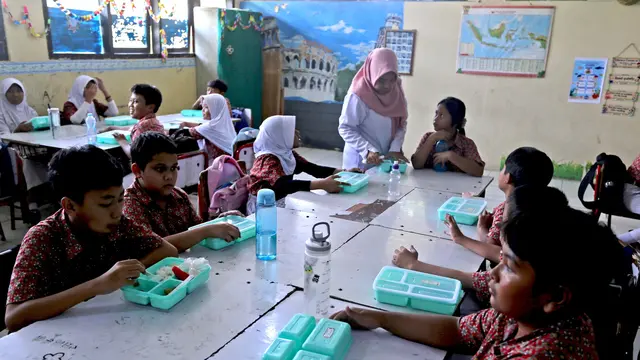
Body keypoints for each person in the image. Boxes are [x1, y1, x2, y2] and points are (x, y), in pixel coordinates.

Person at [334, 204, 624, 359]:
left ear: (556, 297)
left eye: (509, 266)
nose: (494, 273)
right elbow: (459, 330)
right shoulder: (524, 313)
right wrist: (382, 319)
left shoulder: (545, 353)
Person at [4, 145, 177, 332]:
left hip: (107, 329)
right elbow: (14, 317)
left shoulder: (119, 223)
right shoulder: (42, 238)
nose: (117, 212)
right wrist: (99, 285)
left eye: (120, 199)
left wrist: (129, 271)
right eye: (106, 203)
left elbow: (167, 250)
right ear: (69, 205)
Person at [393, 185, 568, 306]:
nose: (498, 225)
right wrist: (461, 238)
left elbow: (465, 276)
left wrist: (413, 265)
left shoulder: (520, 276)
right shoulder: (540, 250)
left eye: (502, 222)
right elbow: (497, 251)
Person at [123, 132, 241, 252]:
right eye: (160, 169)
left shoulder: (178, 196)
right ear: (137, 171)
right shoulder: (130, 206)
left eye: (174, 168)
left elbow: (196, 228)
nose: (169, 176)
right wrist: (206, 230)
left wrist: (219, 222)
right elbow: (151, 247)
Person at [443, 147, 555, 263]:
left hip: (509, 271)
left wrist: (481, 228)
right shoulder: (539, 207)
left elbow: (491, 245)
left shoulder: (508, 210)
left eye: (503, 169)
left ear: (508, 178)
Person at [248, 115, 358, 214]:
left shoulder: (287, 154)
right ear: (279, 136)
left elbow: (313, 169)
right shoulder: (267, 159)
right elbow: (282, 184)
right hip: (261, 209)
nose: (297, 133)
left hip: (278, 201)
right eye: (291, 130)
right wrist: (321, 184)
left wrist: (345, 172)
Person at [338, 48, 409, 170]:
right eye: (381, 80)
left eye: (392, 80)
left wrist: (395, 149)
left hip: (385, 160)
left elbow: (401, 125)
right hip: (360, 160)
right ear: (372, 72)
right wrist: (367, 150)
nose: (387, 86)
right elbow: (346, 128)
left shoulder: (397, 93)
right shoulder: (357, 95)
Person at [0, 78, 49, 196]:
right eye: (11, 91)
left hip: (35, 145)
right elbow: (3, 139)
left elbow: (40, 132)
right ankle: (32, 198)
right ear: (3, 94)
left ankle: (50, 190)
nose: (15, 95)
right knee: (27, 160)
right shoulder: (1, 112)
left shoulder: (30, 111)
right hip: (12, 150)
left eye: (19, 91)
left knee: (52, 155)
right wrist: (18, 130)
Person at [411, 97, 484, 177]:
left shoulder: (466, 144)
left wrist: (451, 156)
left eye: (441, 115)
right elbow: (416, 164)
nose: (435, 119)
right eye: (436, 114)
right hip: (430, 186)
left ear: (455, 120)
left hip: (456, 188)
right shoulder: (428, 137)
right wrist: (431, 139)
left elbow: (478, 171)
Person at [109, 84, 165, 158]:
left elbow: (134, 156)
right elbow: (132, 128)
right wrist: (112, 128)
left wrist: (122, 141)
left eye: (135, 101)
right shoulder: (151, 122)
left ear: (150, 107)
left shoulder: (143, 126)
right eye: (130, 101)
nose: (130, 105)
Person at [181, 94, 235, 166]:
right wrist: (186, 123)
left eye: (206, 107)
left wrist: (166, 132)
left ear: (215, 109)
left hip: (217, 168)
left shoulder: (210, 127)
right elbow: (201, 127)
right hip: (230, 165)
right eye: (202, 107)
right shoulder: (225, 123)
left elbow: (185, 133)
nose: (202, 110)